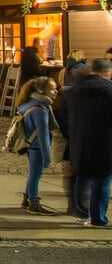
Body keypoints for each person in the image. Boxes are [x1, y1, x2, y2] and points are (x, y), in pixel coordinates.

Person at [64, 56, 112, 227]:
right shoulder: (109, 90)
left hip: (79, 141)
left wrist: (70, 134)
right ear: (107, 72)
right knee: (102, 179)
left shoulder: (73, 90)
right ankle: (98, 218)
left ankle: (81, 213)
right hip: (104, 142)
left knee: (82, 176)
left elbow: (62, 116)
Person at [14, 76, 59, 214]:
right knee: (35, 173)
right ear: (41, 91)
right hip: (37, 146)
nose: (55, 92)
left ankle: (27, 198)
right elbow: (43, 133)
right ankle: (33, 203)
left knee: (33, 173)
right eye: (52, 89)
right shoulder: (40, 109)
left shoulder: (28, 104)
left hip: (29, 144)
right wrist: (47, 156)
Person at [56, 62, 90, 219]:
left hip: (73, 140)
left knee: (75, 174)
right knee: (82, 176)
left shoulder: (69, 94)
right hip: (84, 140)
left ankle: (74, 205)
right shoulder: (90, 93)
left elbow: (62, 118)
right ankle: (80, 207)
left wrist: (68, 134)